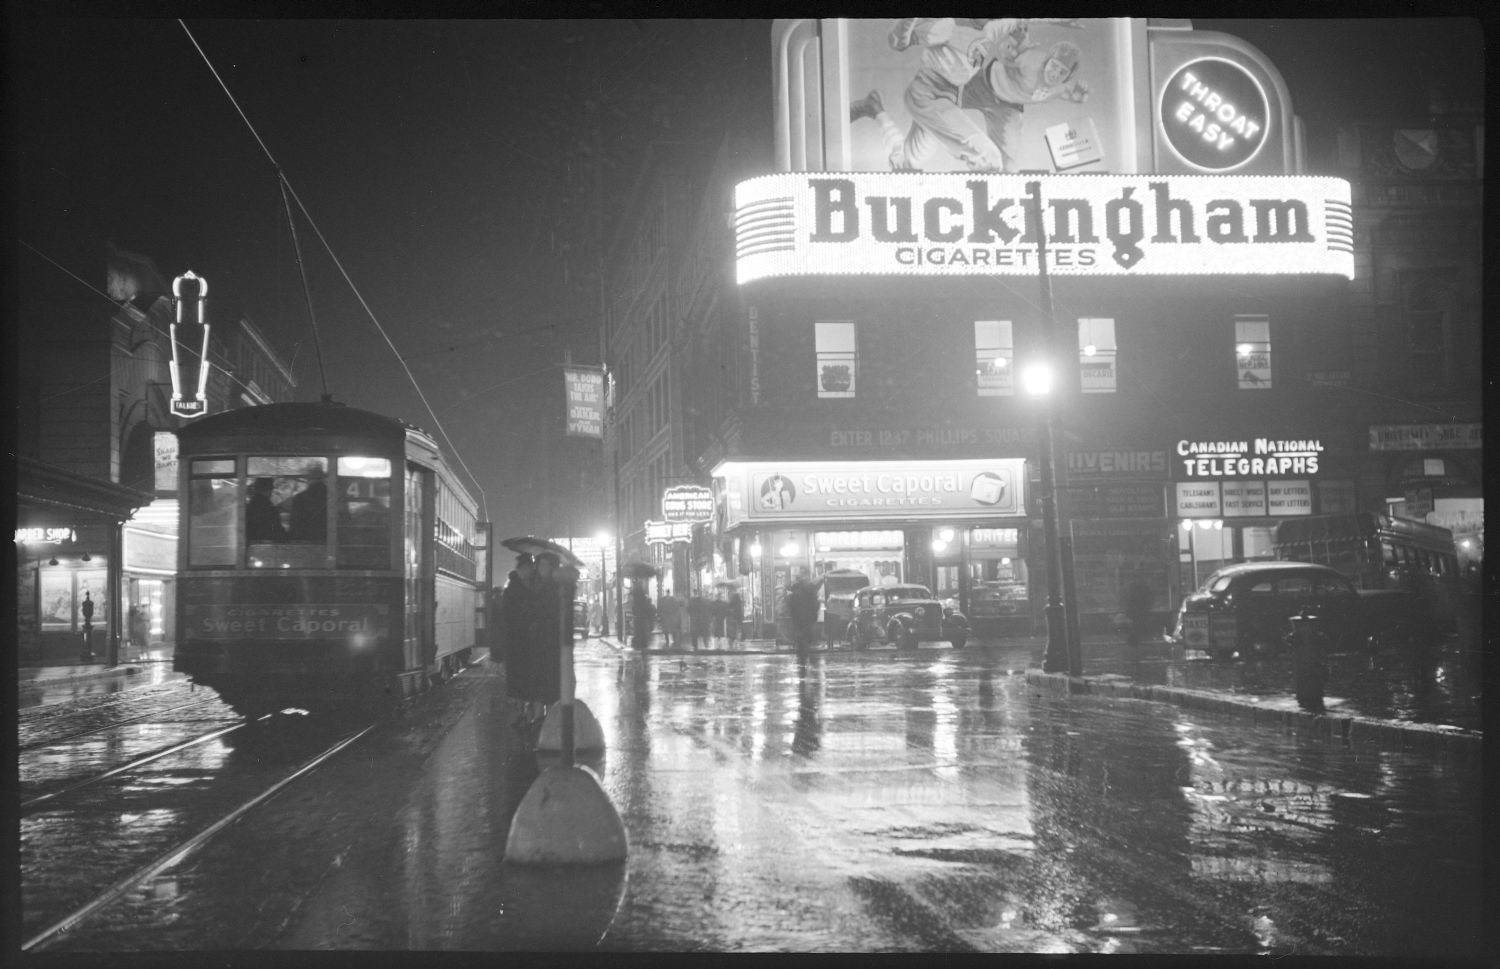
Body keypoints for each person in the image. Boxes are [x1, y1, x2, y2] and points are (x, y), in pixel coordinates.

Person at [849, 18, 1082, 172]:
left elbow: (1025, 18)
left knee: (910, 161)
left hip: (952, 98)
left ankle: (875, 110)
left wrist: (1060, 20)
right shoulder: (948, 26)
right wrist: (908, 22)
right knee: (990, 159)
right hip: (929, 93)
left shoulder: (992, 28)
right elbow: (899, 42)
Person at [961, 32, 1090, 172]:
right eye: (1054, 66)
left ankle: (999, 177)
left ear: (1067, 77)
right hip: (984, 85)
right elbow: (1003, 54)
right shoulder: (1031, 61)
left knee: (1008, 157)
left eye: (1062, 72)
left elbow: (1076, 98)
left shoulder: (1059, 88)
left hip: (1007, 108)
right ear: (1047, 61)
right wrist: (1014, 47)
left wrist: (1081, 93)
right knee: (942, 97)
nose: (1055, 74)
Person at [289, 466, 328, 543]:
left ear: (308, 479)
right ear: (323, 478)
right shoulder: (334, 496)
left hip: (306, 543)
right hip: (329, 541)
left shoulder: (300, 498)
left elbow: (295, 525)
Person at [1122, 565, 1154, 651]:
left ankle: (1134, 643)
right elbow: (1149, 598)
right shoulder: (1144, 586)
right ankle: (1135, 642)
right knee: (1138, 626)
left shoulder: (1132, 586)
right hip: (1140, 610)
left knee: (1135, 626)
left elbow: (1128, 598)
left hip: (1136, 611)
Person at [786, 574, 820, 656]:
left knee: (801, 640)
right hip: (808, 621)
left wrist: (793, 619)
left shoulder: (795, 594)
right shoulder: (810, 593)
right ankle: (805, 655)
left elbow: (791, 608)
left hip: (799, 621)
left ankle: (802, 657)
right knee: (806, 639)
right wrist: (814, 618)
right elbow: (816, 605)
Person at [246, 477, 286, 543]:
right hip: (266, 546)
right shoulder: (268, 507)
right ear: (269, 489)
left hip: (252, 544)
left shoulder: (250, 505)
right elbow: (276, 530)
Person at [630, 581, 656, 652]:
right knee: (643, 630)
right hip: (642, 618)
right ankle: (642, 642)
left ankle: (640, 642)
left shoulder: (638, 599)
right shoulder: (643, 600)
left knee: (641, 630)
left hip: (640, 618)